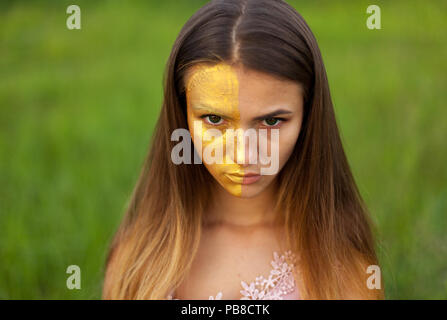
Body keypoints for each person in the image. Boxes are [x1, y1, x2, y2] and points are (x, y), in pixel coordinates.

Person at [102, 0, 384, 300]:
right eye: (214, 120)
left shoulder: (341, 264)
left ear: (309, 115)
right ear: (181, 114)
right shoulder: (141, 256)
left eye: (271, 121)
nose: (245, 156)